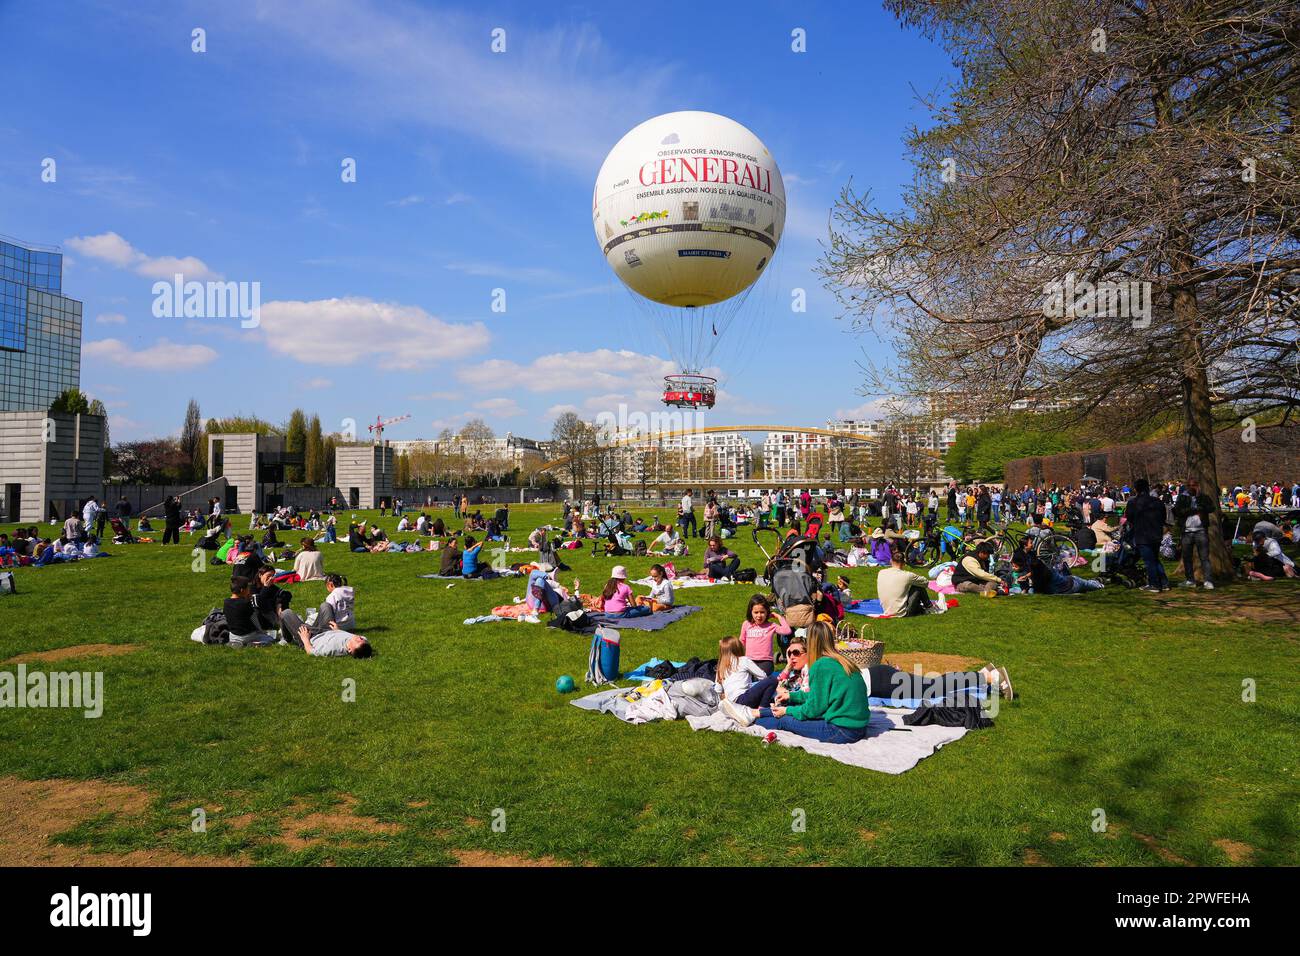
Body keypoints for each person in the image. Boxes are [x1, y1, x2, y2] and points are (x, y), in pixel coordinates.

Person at [722, 621, 871, 744]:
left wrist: (787, 711)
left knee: (784, 720)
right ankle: (752, 712)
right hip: (859, 726)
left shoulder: (821, 665)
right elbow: (819, 696)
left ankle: (750, 719)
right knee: (788, 708)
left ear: (811, 643)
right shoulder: (844, 661)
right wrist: (791, 697)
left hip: (842, 730)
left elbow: (813, 710)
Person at [1123, 478, 1169, 591]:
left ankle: (1154, 584)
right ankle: (1164, 583)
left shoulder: (1133, 502)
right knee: (1155, 559)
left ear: (1136, 489)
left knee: (1149, 561)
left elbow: (1129, 518)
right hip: (1156, 533)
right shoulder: (1158, 502)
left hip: (1142, 534)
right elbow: (1163, 517)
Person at [1174, 479, 1216, 589]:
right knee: (1187, 557)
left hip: (1201, 530)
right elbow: (1178, 511)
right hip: (1187, 531)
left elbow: (1211, 508)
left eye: (1194, 485)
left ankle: (1208, 581)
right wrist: (1194, 510)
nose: (1191, 487)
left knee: (1204, 557)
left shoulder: (1203, 497)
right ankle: (1190, 580)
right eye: (1189, 485)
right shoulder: (1182, 497)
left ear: (1198, 485)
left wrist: (1198, 498)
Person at [739, 594, 790, 675]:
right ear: (750, 612)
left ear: (767, 612)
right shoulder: (746, 624)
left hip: (766, 662)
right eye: (756, 612)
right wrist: (739, 658)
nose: (759, 615)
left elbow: (787, 630)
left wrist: (779, 617)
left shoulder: (771, 626)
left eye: (762, 612)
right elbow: (741, 641)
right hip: (749, 661)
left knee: (763, 682)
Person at [876, 550, 936, 616]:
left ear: (891, 561)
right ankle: (930, 607)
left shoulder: (881, 572)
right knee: (918, 586)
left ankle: (923, 609)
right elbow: (925, 582)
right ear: (904, 563)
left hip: (886, 610)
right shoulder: (907, 575)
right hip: (902, 613)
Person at [225, 575, 275, 647]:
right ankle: (255, 643)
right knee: (270, 638)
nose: (250, 590)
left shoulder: (226, 602)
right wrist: (261, 631)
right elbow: (254, 619)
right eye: (248, 588)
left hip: (233, 635)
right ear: (242, 590)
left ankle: (236, 643)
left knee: (237, 637)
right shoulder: (245, 603)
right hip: (248, 635)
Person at [715, 635, 768, 702]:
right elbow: (763, 676)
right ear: (738, 647)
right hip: (744, 697)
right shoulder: (744, 660)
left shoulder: (720, 667)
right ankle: (763, 706)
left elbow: (717, 690)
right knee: (772, 680)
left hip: (730, 701)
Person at [293, 621, 373, 658]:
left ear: (349, 650)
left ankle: (287, 638)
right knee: (326, 606)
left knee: (286, 613)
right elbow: (362, 640)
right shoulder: (362, 641)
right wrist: (338, 631)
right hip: (328, 630)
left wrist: (305, 639)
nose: (359, 637)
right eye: (362, 639)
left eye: (357, 641)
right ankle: (309, 625)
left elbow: (311, 653)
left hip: (312, 637)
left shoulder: (332, 649)